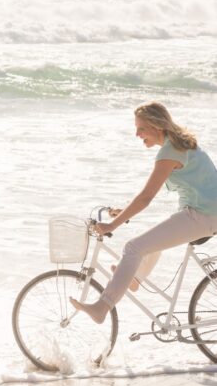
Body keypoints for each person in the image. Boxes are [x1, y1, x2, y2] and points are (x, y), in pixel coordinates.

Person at [71, 101, 217, 323]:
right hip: (203, 213)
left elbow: (145, 198)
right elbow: (149, 195)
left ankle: (102, 307)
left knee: (133, 248)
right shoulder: (180, 144)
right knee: (152, 241)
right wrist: (123, 212)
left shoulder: (170, 152)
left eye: (141, 128)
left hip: (203, 216)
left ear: (157, 126)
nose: (137, 134)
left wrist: (112, 225)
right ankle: (135, 277)